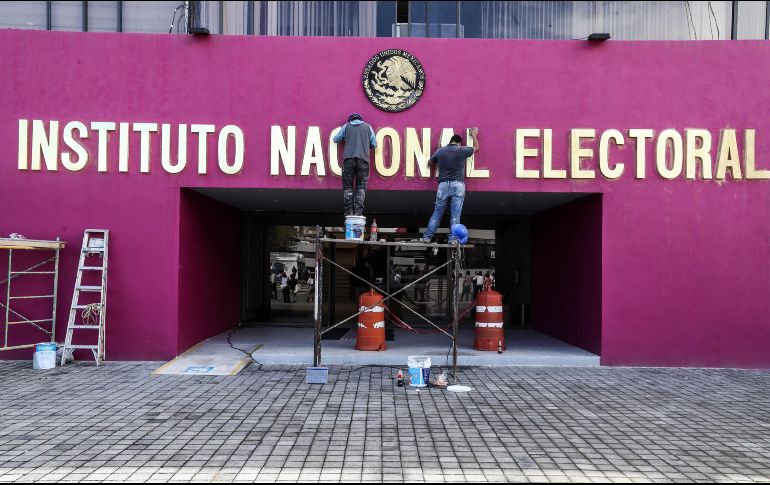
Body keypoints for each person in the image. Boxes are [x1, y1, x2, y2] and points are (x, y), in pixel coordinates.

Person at [421, 128, 479, 243]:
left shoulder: (440, 151)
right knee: (455, 215)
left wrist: (439, 158)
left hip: (443, 185)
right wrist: (474, 135)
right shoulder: (462, 150)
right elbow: (477, 148)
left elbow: (430, 162)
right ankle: (452, 239)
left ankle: (427, 237)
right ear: (459, 143)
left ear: (451, 141)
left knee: (437, 214)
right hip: (457, 185)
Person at [333, 113, 377, 216]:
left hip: (349, 160)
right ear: (361, 120)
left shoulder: (346, 126)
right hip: (363, 160)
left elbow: (336, 139)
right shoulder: (368, 127)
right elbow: (374, 144)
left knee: (348, 186)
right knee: (360, 187)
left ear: (351, 120)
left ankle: (349, 211)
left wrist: (346, 137)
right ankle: (358, 212)